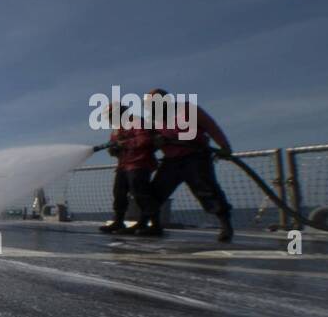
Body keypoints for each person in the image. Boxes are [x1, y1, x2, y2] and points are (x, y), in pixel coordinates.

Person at [144, 89, 235, 242]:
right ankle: (154, 225)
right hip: (171, 160)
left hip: (195, 157)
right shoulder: (154, 121)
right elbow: (149, 142)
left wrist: (224, 146)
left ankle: (226, 227)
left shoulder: (188, 109)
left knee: (207, 190)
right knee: (155, 192)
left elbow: (211, 127)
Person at [99, 102, 160, 235]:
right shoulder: (116, 129)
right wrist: (113, 150)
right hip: (123, 165)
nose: (110, 120)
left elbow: (144, 140)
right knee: (119, 193)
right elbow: (114, 146)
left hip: (139, 163)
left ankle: (154, 225)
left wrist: (124, 144)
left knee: (140, 193)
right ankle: (118, 221)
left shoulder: (137, 121)